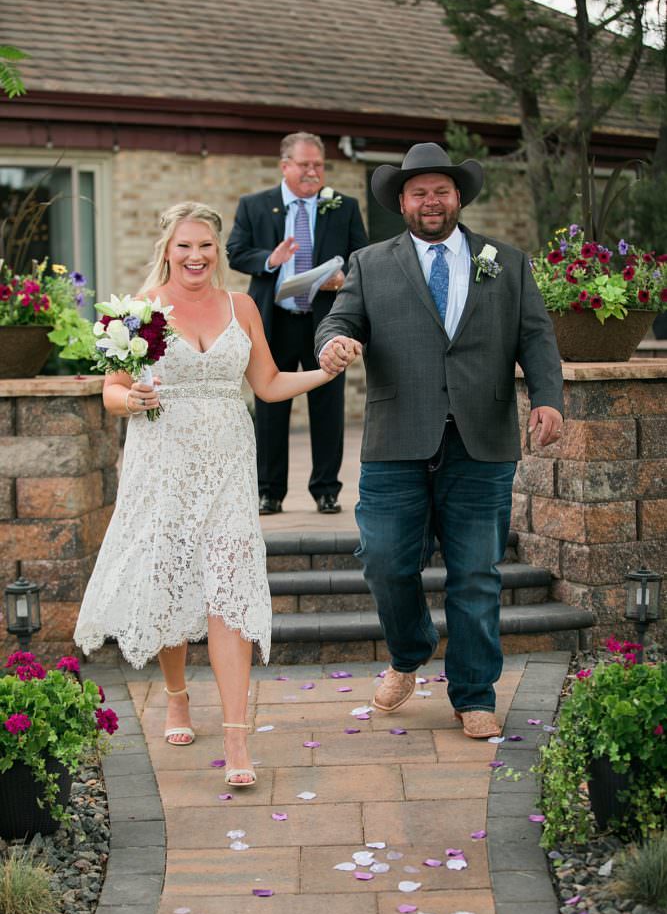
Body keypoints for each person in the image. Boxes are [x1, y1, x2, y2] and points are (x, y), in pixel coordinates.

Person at [74, 201, 357, 786]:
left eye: (205, 245)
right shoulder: (139, 310)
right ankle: (176, 696)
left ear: (218, 250)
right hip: (162, 463)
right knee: (173, 577)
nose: (195, 256)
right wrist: (134, 401)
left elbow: (270, 384)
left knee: (228, 589)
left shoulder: (244, 306)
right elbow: (112, 391)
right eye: (184, 246)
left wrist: (326, 373)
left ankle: (236, 739)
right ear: (167, 248)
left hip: (229, 464)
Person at [315, 142, 564, 739]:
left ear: (458, 197)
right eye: (418, 192)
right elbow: (340, 319)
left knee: (476, 572)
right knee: (383, 561)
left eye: (441, 191)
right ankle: (410, 649)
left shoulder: (506, 261)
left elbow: (536, 337)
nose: (431, 201)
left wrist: (550, 398)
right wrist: (333, 342)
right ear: (401, 202)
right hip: (397, 438)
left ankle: (474, 693)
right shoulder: (371, 263)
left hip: (482, 439)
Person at [226, 131, 368, 515]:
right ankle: (269, 491)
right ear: (285, 166)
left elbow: (361, 258)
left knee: (328, 405)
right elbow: (235, 252)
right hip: (274, 321)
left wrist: (342, 280)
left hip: (324, 320)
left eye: (318, 165)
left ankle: (326, 489)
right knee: (270, 407)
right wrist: (270, 260)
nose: (312, 172)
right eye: (304, 165)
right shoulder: (256, 206)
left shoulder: (343, 206)